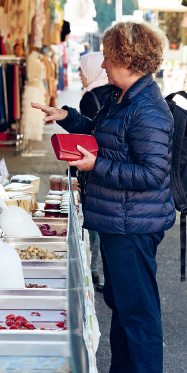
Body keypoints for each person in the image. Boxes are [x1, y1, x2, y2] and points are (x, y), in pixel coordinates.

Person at [32, 21, 175, 373]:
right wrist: (66, 116)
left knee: (139, 311)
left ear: (129, 59)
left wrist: (98, 165)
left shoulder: (148, 110)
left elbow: (151, 174)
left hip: (133, 226)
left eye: (110, 58)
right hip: (118, 221)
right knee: (123, 306)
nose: (105, 65)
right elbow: (100, 133)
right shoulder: (124, 96)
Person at [77, 52, 109, 292]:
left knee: (94, 224)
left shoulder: (90, 97)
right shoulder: (114, 91)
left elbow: (88, 137)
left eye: (81, 69)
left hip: (95, 168)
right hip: (107, 168)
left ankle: (93, 270)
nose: (79, 74)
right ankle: (102, 273)